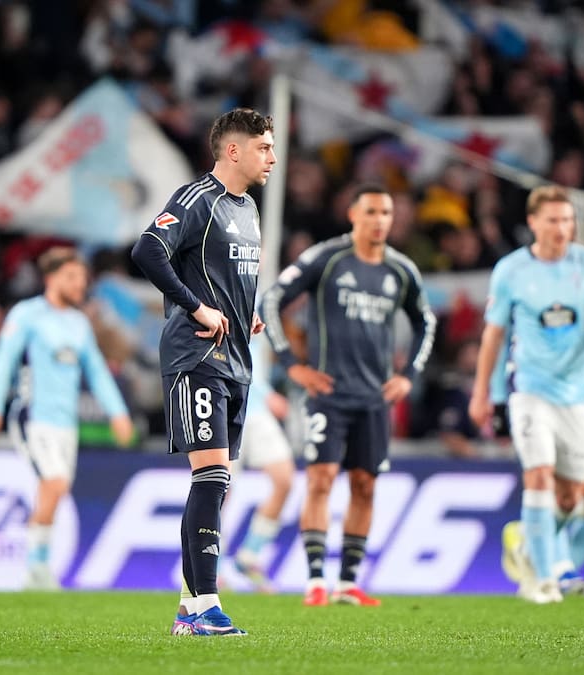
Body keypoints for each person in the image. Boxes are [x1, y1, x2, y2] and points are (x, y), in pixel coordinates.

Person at [130, 107, 275, 637]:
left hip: (236, 359)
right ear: (232, 150)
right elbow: (148, 249)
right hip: (196, 358)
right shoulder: (197, 199)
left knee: (219, 482)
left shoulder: (248, 209)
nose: (272, 158)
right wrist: (195, 307)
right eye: (264, 147)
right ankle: (205, 607)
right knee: (211, 477)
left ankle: (189, 609)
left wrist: (245, 310)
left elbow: (227, 277)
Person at [259, 185, 436, 608]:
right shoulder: (328, 258)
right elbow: (272, 300)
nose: (380, 220)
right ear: (353, 214)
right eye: (372, 211)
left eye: (387, 212)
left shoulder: (401, 270)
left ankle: (348, 583)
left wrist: (408, 374)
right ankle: (316, 581)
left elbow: (425, 322)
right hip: (328, 392)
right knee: (320, 479)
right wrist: (291, 364)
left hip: (375, 398)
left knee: (365, 485)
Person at [468, 185, 584, 604]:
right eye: (553, 220)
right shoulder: (511, 270)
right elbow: (494, 337)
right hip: (530, 392)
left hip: (577, 398)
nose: (562, 228)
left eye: (568, 220)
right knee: (538, 474)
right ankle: (541, 581)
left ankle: (525, 543)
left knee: (570, 496)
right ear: (533, 222)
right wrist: (484, 392)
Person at [0, 246, 135, 590]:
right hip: (32, 415)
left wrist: (118, 414)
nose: (80, 285)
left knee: (55, 489)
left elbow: (96, 371)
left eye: (83, 278)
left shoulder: (78, 322)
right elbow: (4, 360)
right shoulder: (26, 314)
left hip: (66, 424)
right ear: (51, 278)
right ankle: (35, 568)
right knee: (55, 482)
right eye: (73, 277)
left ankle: (39, 568)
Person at [495, 243, 584, 593]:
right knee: (564, 491)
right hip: (561, 408)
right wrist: (500, 399)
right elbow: (511, 345)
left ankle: (537, 548)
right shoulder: (569, 302)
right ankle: (556, 570)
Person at [229, 337, 295, 593]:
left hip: (256, 412)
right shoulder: (222, 298)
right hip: (228, 408)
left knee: (284, 479)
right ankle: (211, 566)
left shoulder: (263, 300)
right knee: (220, 491)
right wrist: (267, 394)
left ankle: (249, 557)